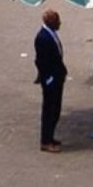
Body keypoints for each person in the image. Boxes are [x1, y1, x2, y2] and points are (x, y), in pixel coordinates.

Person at [33, 9, 67, 152]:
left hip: (57, 77)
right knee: (49, 110)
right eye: (57, 21)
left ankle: (50, 137)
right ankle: (45, 141)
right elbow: (41, 61)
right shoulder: (42, 38)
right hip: (51, 79)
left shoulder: (50, 35)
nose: (60, 23)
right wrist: (48, 79)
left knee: (55, 109)